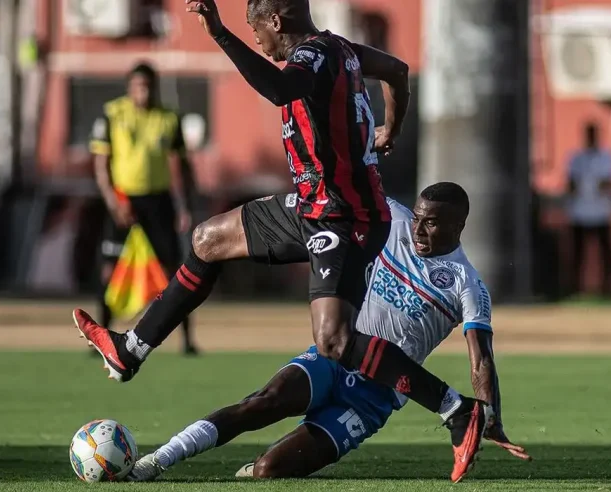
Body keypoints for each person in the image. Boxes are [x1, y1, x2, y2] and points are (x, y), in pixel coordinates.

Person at [73, 0, 490, 480]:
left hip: (345, 216)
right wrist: (389, 128)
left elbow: (279, 89)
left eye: (256, 31)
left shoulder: (312, 58)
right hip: (312, 206)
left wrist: (220, 33)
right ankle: (131, 349)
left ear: (275, 21)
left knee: (333, 339)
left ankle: (455, 409)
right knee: (208, 240)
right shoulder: (343, 51)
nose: (257, 42)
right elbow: (396, 70)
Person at [127, 184, 531, 483]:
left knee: (270, 471)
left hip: (374, 398)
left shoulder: (467, 284)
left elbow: (482, 359)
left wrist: (490, 414)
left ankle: (261, 467)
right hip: (333, 357)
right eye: (419, 217)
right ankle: (159, 460)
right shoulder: (392, 220)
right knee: (263, 403)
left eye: (432, 223)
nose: (419, 229)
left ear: (459, 225)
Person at [89, 62, 199, 355]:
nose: (143, 92)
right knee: (109, 270)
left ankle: (186, 339)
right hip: (123, 200)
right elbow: (101, 165)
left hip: (158, 201)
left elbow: (179, 166)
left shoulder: (167, 119)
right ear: (129, 87)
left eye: (148, 86)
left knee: (176, 271)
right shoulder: (113, 114)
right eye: (138, 86)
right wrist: (114, 203)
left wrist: (183, 207)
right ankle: (102, 336)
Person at [566, 121, 611, 297]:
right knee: (578, 254)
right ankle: (575, 289)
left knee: (606, 254)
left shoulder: (606, 157)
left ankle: (607, 289)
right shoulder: (576, 158)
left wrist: (588, 184)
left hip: (602, 212)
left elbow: (609, 182)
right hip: (579, 212)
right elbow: (570, 184)